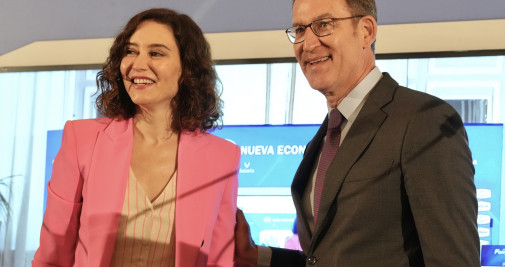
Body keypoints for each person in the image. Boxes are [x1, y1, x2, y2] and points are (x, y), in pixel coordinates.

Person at [235, 0, 480, 266]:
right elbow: (324, 258)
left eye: (324, 25)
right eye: (300, 29)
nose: (308, 43)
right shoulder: (322, 140)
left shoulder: (424, 121)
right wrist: (255, 256)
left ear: (366, 31)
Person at [33, 8, 240, 267]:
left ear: (187, 69)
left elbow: (219, 260)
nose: (137, 64)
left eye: (155, 53)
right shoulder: (81, 139)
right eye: (131, 51)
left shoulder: (223, 157)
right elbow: (52, 256)